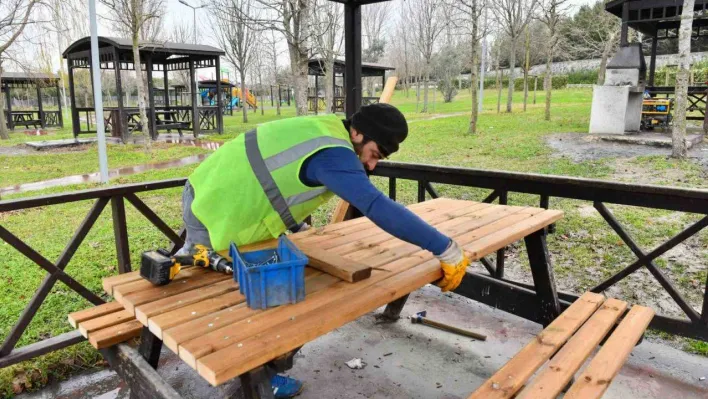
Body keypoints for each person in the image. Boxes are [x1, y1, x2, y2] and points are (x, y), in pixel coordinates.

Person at [180, 103, 469, 398]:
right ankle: (252, 385)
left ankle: (254, 375)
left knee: (265, 295)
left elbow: (272, 174)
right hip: (217, 211)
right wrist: (444, 248)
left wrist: (293, 227)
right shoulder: (334, 155)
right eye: (374, 155)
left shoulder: (326, 129)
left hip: (207, 188)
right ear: (356, 134)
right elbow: (376, 206)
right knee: (259, 302)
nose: (371, 166)